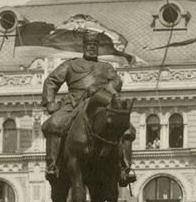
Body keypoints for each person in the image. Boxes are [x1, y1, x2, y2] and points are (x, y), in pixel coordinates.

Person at [40, 32, 135, 185]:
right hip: (74, 103)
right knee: (54, 123)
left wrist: (101, 87)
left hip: (102, 103)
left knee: (127, 129)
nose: (92, 48)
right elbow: (51, 81)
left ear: (98, 48)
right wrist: (50, 103)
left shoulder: (106, 67)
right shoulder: (71, 64)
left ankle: (125, 168)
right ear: (83, 47)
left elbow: (116, 82)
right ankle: (52, 165)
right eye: (89, 45)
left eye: (95, 45)